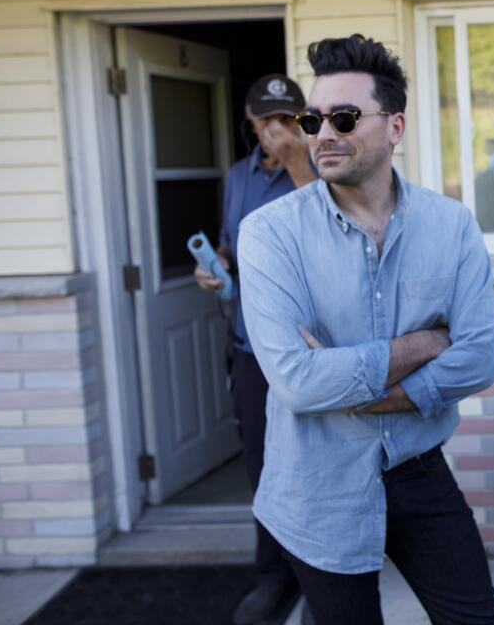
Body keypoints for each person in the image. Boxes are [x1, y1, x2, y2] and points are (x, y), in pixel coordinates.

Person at [236, 34, 494, 625]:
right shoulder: (269, 234)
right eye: (312, 118)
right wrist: (424, 345)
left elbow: (480, 358)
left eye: (345, 116)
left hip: (419, 467)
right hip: (316, 482)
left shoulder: (452, 225)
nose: (323, 133)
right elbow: (296, 382)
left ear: (396, 127)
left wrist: (359, 387)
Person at [194, 73, 314, 625]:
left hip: (309, 344)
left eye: (287, 118)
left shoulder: (317, 167)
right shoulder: (238, 176)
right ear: (251, 121)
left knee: (315, 461)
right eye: (267, 120)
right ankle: (274, 576)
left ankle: (321, 574)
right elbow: (230, 239)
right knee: (262, 464)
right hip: (250, 342)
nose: (276, 130)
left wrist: (295, 160)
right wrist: (214, 265)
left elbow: (328, 221)